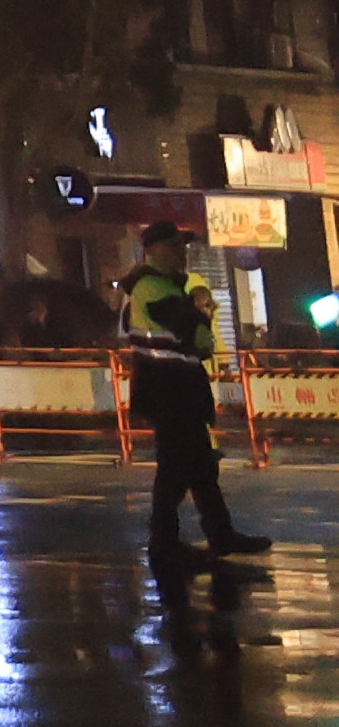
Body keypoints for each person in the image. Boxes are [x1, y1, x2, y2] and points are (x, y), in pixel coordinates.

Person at [127, 226, 273, 568]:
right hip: (170, 393)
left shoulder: (166, 286)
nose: (182, 252)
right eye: (175, 246)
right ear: (154, 249)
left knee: (198, 468)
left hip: (177, 391)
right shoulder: (153, 288)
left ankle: (215, 536)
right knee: (179, 470)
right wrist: (201, 312)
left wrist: (198, 308)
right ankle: (168, 543)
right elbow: (199, 339)